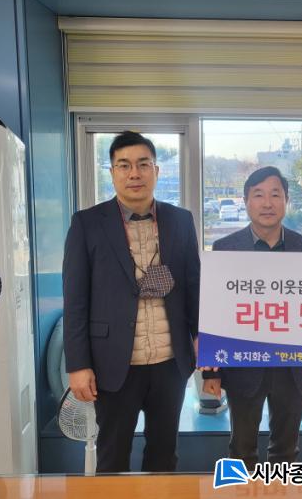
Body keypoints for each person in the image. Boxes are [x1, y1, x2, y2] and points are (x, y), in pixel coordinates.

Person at [63, 131, 200, 472]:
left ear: (156, 170)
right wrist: (78, 365)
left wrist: (204, 342)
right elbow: (75, 300)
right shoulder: (87, 223)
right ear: (112, 173)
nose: (134, 173)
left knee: (165, 454)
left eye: (143, 164)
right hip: (112, 363)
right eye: (123, 165)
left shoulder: (180, 220)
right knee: (112, 456)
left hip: (170, 362)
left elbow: (194, 287)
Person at [202, 166, 302, 470]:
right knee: (240, 449)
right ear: (246, 202)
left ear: (286, 201)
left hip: (294, 367)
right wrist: (211, 374)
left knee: (287, 450)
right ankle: (238, 491)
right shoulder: (224, 248)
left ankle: (282, 490)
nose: (267, 203)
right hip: (243, 365)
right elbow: (215, 312)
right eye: (258, 195)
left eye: (275, 195)